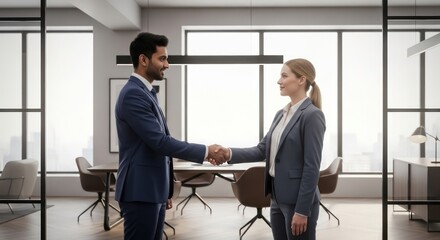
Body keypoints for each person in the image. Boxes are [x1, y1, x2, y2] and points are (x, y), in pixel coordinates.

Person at [115, 32, 226, 240]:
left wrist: (164, 190)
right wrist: (206, 151)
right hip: (140, 191)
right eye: (162, 58)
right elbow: (160, 142)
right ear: (143, 60)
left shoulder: (145, 92)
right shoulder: (133, 94)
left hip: (151, 191)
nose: (167, 64)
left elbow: (156, 147)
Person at [211, 58, 325, 240]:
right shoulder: (281, 114)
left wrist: (302, 211)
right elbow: (261, 150)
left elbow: (312, 167)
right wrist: (228, 153)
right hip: (276, 199)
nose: (279, 81)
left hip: (298, 202)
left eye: (284, 76)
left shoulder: (312, 115)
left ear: (301, 80)